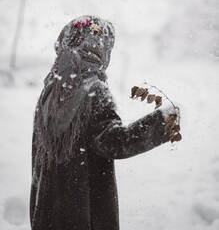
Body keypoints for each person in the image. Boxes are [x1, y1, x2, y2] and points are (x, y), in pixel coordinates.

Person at [30, 15, 179, 230]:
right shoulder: (94, 90)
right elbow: (115, 142)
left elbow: (38, 164)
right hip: (83, 216)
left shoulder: (50, 89)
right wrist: (165, 122)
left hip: (47, 215)